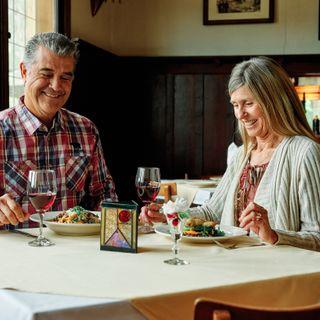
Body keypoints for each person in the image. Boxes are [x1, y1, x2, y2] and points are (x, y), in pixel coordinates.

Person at [141, 56, 320, 252]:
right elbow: (210, 212)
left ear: (274, 102)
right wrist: (169, 216)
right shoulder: (243, 154)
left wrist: (274, 235)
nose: (240, 114)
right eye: (235, 105)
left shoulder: (305, 152)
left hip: (277, 274)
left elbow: (316, 237)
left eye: (248, 103)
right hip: (234, 263)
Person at [0, 32, 117, 229]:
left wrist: (130, 220)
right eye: (46, 74)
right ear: (23, 71)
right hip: (15, 257)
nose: (56, 86)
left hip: (76, 253)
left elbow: (104, 196)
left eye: (65, 77)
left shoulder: (86, 130)